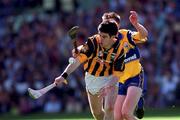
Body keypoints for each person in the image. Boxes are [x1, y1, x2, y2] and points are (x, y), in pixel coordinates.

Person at [54, 21, 125, 120]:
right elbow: (78, 61)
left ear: (113, 36)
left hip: (110, 78)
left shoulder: (119, 50)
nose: (100, 39)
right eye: (100, 35)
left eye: (104, 37)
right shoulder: (93, 42)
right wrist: (64, 75)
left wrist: (108, 86)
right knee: (98, 114)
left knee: (109, 108)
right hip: (92, 78)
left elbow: (117, 74)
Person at [102, 11, 148, 120]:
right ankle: (138, 99)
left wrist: (136, 24)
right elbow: (89, 48)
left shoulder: (126, 35)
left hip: (135, 76)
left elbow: (144, 35)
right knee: (117, 117)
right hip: (119, 81)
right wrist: (79, 51)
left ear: (117, 26)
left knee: (126, 113)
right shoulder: (104, 41)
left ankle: (138, 98)